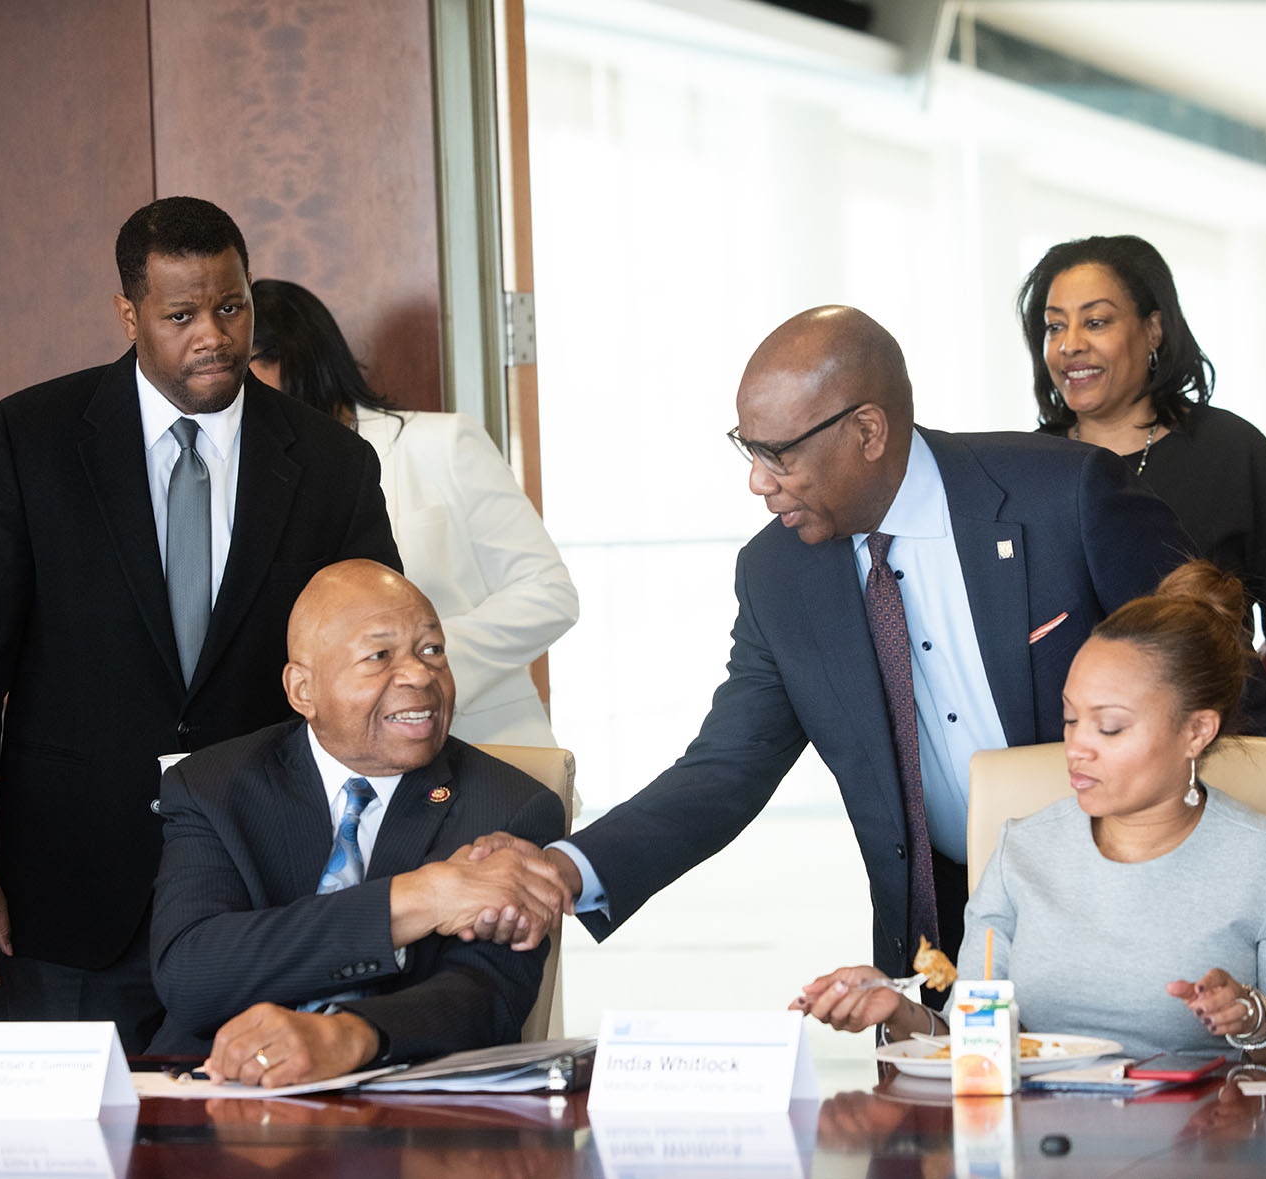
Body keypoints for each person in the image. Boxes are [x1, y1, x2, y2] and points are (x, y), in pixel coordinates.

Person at [472, 306, 1194, 985]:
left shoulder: (1063, 495)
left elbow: (1214, 680)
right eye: (747, 450)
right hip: (937, 945)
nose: (758, 481)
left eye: (777, 454)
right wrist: (569, 866)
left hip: (1128, 900)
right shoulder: (778, 574)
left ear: (869, 432)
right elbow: (728, 766)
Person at [0, 197, 401, 1051]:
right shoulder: (34, 439)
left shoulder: (332, 465)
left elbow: (376, 664)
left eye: (231, 306)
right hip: (69, 886)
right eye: (180, 315)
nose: (212, 334)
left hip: (264, 886)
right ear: (128, 314)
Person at [792, 561, 1266, 1065]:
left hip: (1202, 1144)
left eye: (1108, 727)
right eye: (1070, 720)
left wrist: (1256, 1020)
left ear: (1196, 731)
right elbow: (978, 1039)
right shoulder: (1023, 849)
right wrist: (898, 1013)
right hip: (1041, 1144)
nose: (1078, 747)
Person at [149, 561, 567, 1085]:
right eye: (379, 656)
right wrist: (417, 899)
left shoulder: (510, 805)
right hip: (212, 1086)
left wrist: (348, 1036)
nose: (420, 674)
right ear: (303, 690)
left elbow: (486, 998)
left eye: (432, 650)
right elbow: (192, 972)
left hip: (398, 1104)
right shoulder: (213, 785)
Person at [1017, 234, 1266, 745]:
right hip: (1071, 764)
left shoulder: (1232, 451)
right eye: (1054, 326)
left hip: (1218, 754)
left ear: (1153, 329)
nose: (1069, 345)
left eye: (1097, 321)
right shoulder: (1024, 470)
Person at [249, 279, 579, 747]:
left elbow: (550, 595)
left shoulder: (441, 444)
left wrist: (423, 660)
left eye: (245, 369)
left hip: (483, 747)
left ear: (294, 357)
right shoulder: (261, 483)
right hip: (341, 767)